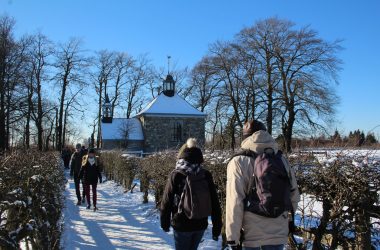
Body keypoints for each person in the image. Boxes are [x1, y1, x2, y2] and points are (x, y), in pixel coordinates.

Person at [226, 120, 300, 250]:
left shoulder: (239, 161)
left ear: (245, 137)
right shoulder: (281, 159)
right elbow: (294, 195)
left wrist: (232, 237)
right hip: (278, 232)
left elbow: (235, 201)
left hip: (251, 235)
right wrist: (287, 222)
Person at [160, 138, 222, 250]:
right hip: (200, 224)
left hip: (181, 224)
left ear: (181, 156)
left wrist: (165, 223)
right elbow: (214, 202)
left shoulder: (176, 174)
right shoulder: (205, 174)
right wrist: (217, 228)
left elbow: (166, 200)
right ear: (200, 158)